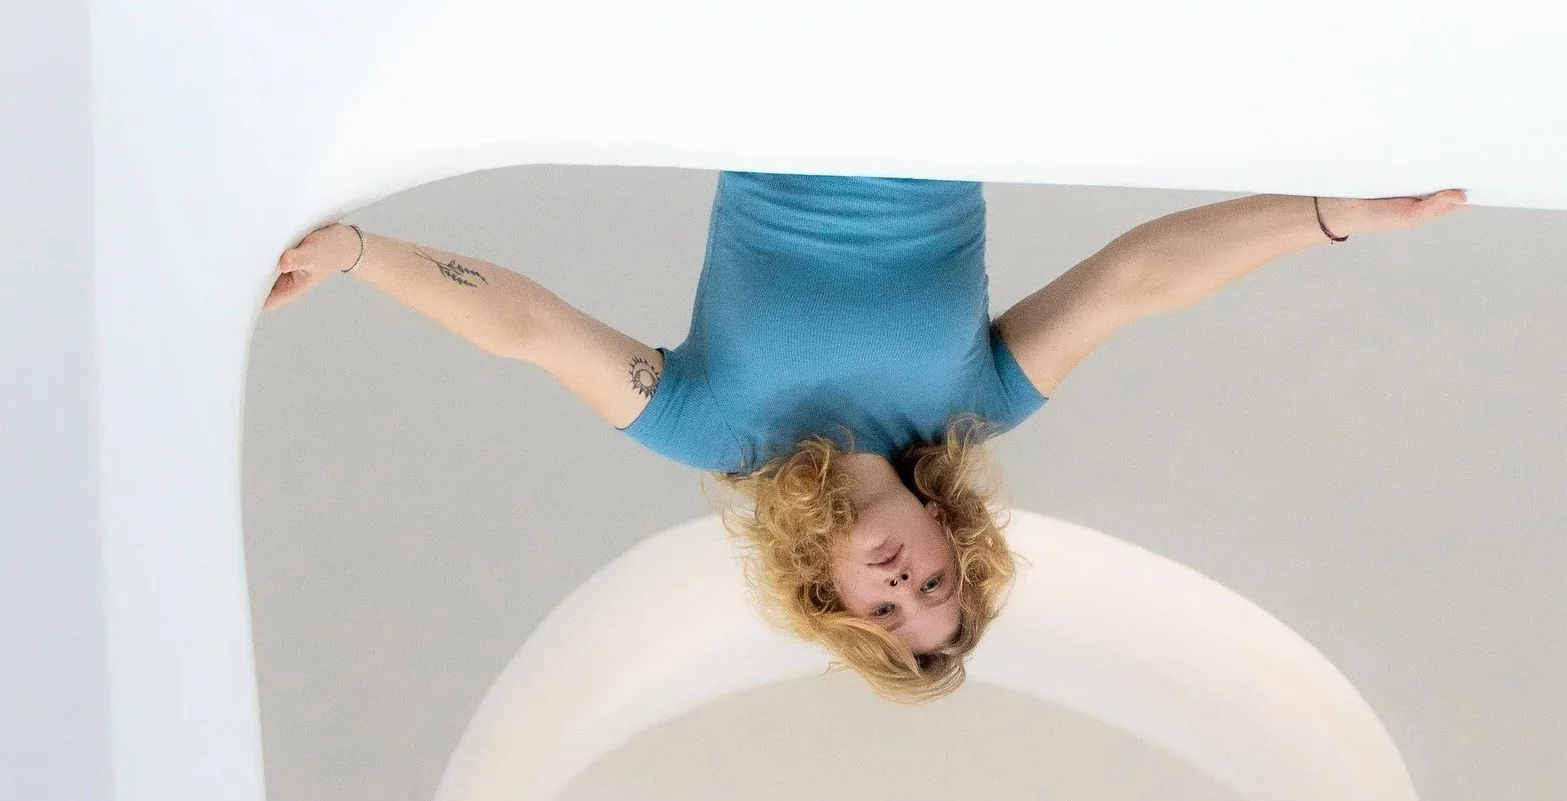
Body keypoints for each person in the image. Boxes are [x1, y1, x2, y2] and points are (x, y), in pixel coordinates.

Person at [269, 175, 1463, 704]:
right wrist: (1331, 217)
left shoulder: (710, 427)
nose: (903, 584)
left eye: (885, 609)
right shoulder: (977, 400)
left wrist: (360, 256)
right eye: (934, 587)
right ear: (948, 534)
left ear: (828, 594)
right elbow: (1137, 281)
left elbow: (528, 331)